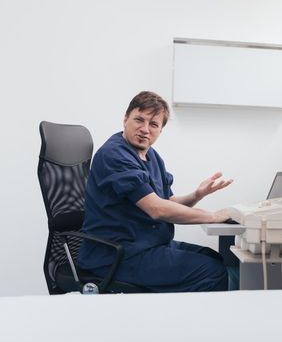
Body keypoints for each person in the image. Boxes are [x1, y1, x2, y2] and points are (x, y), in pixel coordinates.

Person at [78, 91, 233, 292]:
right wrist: (212, 217)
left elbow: (168, 202)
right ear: (125, 119)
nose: (144, 129)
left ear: (161, 130)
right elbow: (158, 210)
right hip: (117, 255)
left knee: (214, 258)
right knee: (211, 271)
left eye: (153, 124)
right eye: (139, 120)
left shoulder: (151, 156)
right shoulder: (114, 155)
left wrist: (197, 195)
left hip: (148, 246)